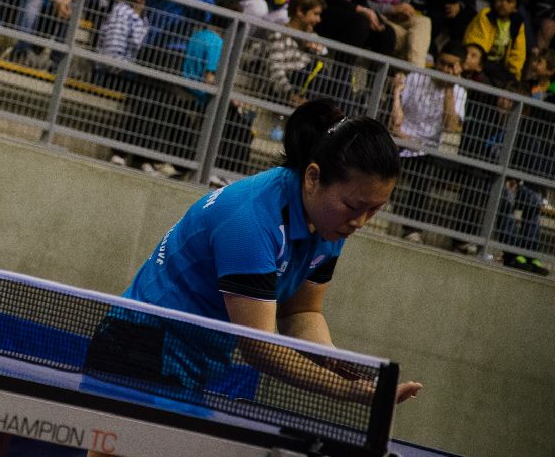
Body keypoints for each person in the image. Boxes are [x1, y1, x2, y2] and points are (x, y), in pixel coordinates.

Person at [84, 98, 421, 426]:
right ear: (313, 177)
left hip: (192, 366)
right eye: (354, 206)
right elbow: (259, 348)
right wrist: (348, 391)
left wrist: (335, 360)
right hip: (137, 348)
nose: (360, 221)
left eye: (373, 210)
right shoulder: (250, 220)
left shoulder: (330, 225)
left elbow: (301, 313)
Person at [389, 42, 467, 249]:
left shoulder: (460, 92)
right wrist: (403, 135)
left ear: (460, 68)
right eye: (442, 64)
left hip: (426, 148)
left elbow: (451, 126)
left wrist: (449, 88)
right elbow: (396, 118)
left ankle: (412, 229)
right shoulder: (416, 77)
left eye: (451, 66)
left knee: (426, 169)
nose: (445, 70)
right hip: (401, 137)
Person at [258, 0, 328, 106]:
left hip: (307, 90)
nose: (319, 19)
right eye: (315, 14)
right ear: (300, 11)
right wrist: (290, 94)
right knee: (317, 66)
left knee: (341, 76)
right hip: (282, 91)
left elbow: (326, 66)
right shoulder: (278, 35)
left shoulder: (313, 38)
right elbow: (275, 69)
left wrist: (316, 50)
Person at [463, 0, 527, 82]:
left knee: (509, 83)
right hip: (482, 62)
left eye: (509, 1)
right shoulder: (486, 15)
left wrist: (514, 74)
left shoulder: (518, 23)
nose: (503, 4)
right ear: (494, 0)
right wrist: (480, 64)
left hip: (501, 66)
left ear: (515, 8)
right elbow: (477, 43)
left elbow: (518, 53)